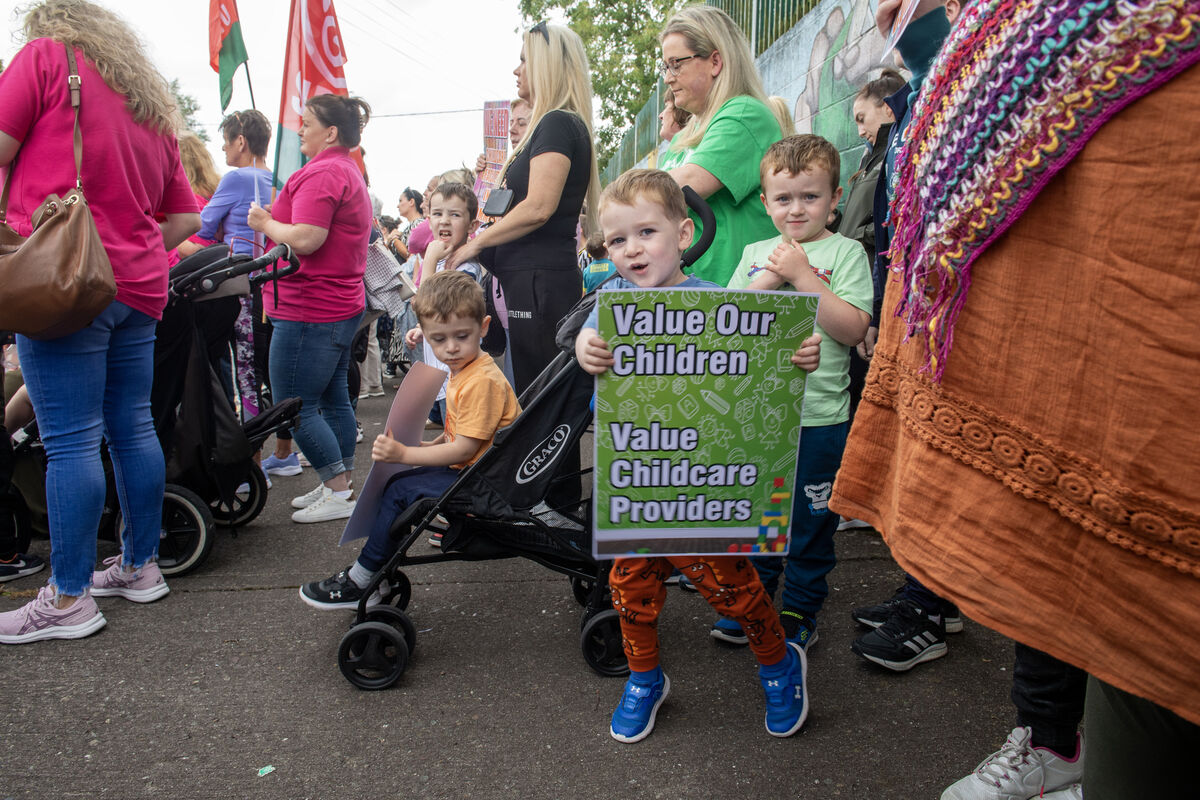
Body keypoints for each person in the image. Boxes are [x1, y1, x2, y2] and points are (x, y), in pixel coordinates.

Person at [832, 1, 1200, 797]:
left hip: (1147, 375)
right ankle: (1053, 735)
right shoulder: (988, 37)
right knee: (1074, 569)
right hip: (1076, 372)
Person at [575, 169, 823, 743]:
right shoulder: (608, 305)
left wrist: (795, 355)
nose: (632, 250)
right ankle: (644, 678)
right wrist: (589, 349)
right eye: (617, 240)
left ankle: (778, 662)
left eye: (646, 232)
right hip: (638, 482)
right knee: (630, 587)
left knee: (732, 590)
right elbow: (590, 354)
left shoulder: (719, 304)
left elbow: (765, 369)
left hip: (707, 486)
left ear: (683, 234)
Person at [0, 0, 199, 643]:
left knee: (70, 440)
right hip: (139, 284)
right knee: (132, 426)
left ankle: (67, 597)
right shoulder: (150, 104)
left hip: (64, 282)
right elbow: (184, 219)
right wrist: (127, 240)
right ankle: (141, 566)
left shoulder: (45, 61)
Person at [704, 135, 871, 652]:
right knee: (758, 515)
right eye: (784, 198)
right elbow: (727, 323)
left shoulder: (846, 253)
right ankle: (754, 602)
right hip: (759, 416)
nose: (796, 209)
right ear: (765, 201)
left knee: (810, 522)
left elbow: (852, 327)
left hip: (820, 418)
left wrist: (802, 276)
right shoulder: (757, 254)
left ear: (835, 197)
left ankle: (799, 604)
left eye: (810, 196)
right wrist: (771, 277)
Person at [846, 0, 966, 676]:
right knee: (919, 456)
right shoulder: (929, 79)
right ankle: (930, 596)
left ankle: (930, 606)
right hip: (913, 295)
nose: (884, 9)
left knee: (938, 460)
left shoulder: (963, 64)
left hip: (944, 306)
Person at [300, 270, 520, 609]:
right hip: (477, 472)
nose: (450, 348)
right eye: (439, 340)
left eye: (462, 336)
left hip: (485, 482)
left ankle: (364, 578)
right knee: (400, 485)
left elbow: (463, 448)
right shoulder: (467, 370)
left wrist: (405, 452)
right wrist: (424, 448)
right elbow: (457, 436)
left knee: (401, 489)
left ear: (484, 327)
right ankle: (375, 570)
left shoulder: (481, 381)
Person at [447, 21, 600, 396]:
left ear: (546, 65)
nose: (516, 70)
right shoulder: (557, 124)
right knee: (537, 398)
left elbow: (539, 207)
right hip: (533, 283)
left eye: (524, 60)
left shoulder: (556, 122)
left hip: (538, 285)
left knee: (540, 402)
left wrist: (474, 245)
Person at [247, 94, 373, 525]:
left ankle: (337, 491)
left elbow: (305, 239)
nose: (299, 129)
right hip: (333, 305)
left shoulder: (323, 172)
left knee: (293, 403)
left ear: (330, 132)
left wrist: (264, 223)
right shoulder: (344, 170)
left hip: (311, 307)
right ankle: (339, 484)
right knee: (333, 400)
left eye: (307, 123)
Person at [658, 4, 786, 287]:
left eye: (676, 64)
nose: (668, 77)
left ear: (715, 61)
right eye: (665, 66)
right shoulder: (682, 137)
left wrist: (622, 197)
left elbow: (682, 186)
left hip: (735, 298)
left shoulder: (745, 114)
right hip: (690, 292)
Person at [187, 109, 274, 421]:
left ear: (241, 141)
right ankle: (276, 449)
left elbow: (198, 232)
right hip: (268, 285)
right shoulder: (277, 178)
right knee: (258, 371)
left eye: (225, 141)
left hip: (237, 286)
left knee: (245, 376)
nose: (222, 148)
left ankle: (248, 453)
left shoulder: (237, 178)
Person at [836, 68, 906, 424]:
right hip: (855, 288)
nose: (859, 130)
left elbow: (882, 237)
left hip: (871, 294)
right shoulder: (872, 159)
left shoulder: (895, 155)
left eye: (862, 118)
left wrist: (875, 314)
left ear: (888, 109)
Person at [404, 182, 484, 444]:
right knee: (451, 425)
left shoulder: (466, 266)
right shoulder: (441, 260)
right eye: (437, 214)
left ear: (472, 225)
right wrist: (422, 329)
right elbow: (436, 316)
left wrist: (428, 260)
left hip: (458, 368)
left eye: (455, 214)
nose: (444, 221)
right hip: (441, 370)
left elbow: (428, 304)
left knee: (462, 429)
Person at [655, 90, 692, 171]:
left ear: (681, 110)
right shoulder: (673, 148)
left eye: (667, 106)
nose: (660, 116)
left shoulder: (701, 144)